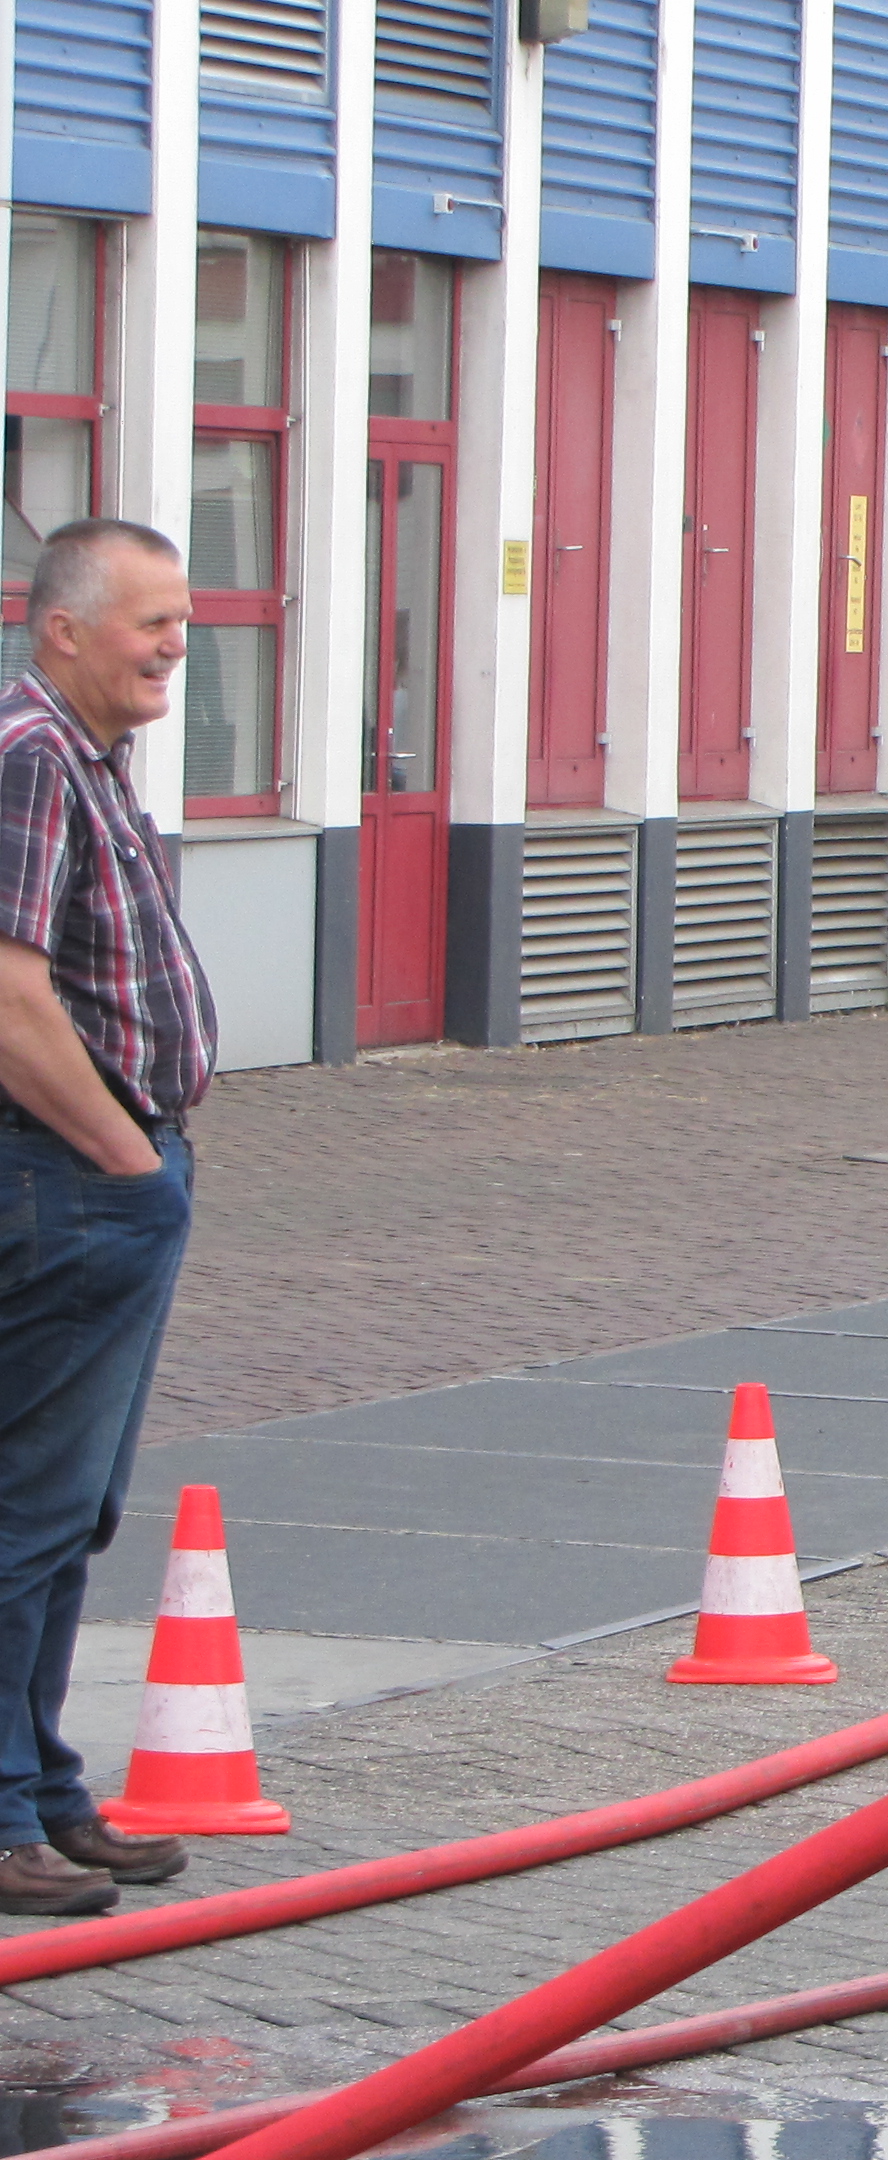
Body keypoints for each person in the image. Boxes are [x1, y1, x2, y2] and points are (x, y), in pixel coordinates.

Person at [0, 519, 212, 1920]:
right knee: (29, 1511)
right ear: (63, 629)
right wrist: (126, 1162)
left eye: (184, 621)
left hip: (105, 1178)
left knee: (72, 1512)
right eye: (152, 623)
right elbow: (9, 997)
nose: (176, 647)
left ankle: (42, 1788)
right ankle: (5, 1810)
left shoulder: (89, 757)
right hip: (70, 1181)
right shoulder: (30, 757)